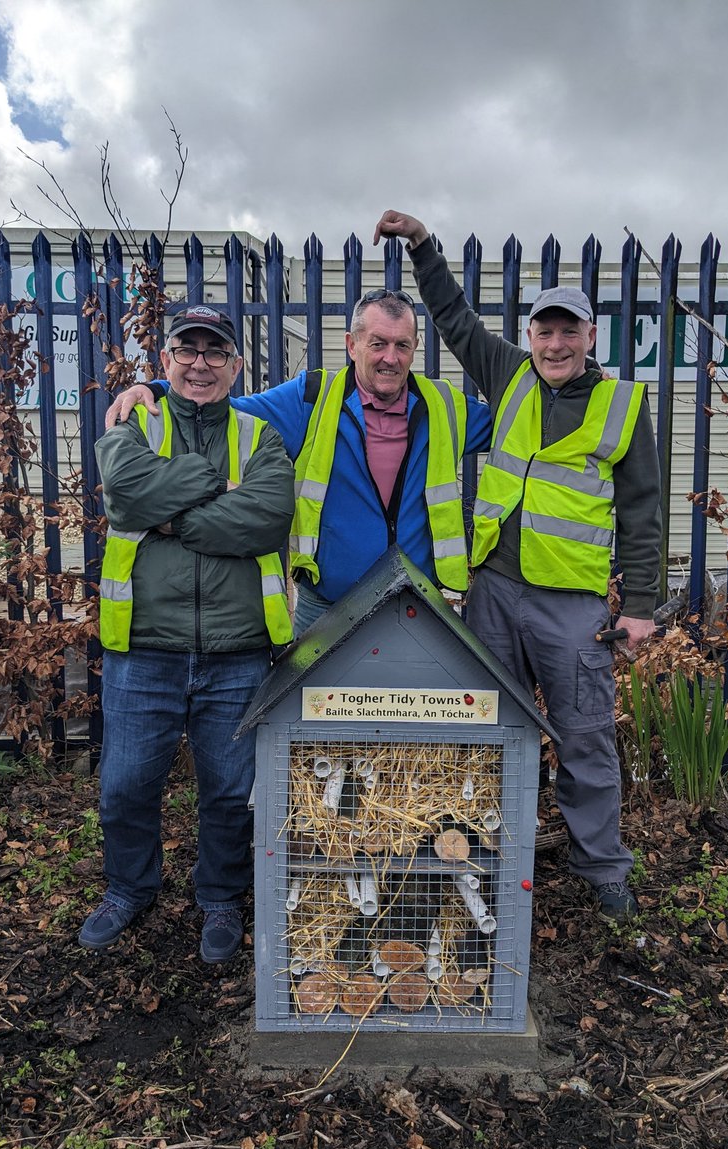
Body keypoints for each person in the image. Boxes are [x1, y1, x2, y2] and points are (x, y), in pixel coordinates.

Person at [374, 211, 662, 921]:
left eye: (569, 331)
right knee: (486, 729)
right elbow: (451, 315)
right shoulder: (507, 374)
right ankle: (480, 853)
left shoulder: (622, 407)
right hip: (495, 591)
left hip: (572, 605)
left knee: (585, 735)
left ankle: (603, 868)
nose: (556, 343)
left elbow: (642, 510)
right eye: (545, 330)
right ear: (530, 337)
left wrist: (642, 606)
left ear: (590, 337)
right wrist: (423, 247)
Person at [79, 305, 294, 962]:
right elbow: (125, 495)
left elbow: (264, 520)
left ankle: (221, 898)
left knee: (230, 790)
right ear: (165, 359)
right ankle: (128, 888)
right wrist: (209, 485)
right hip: (145, 647)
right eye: (187, 349)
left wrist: (170, 518)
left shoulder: (261, 436)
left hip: (238, 652)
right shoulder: (132, 419)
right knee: (125, 784)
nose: (200, 362)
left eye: (214, 351)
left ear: (235, 365)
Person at [109, 290, 492, 635]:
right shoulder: (310, 398)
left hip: (417, 608)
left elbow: (514, 422)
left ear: (415, 348)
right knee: (317, 714)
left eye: (402, 345)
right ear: (351, 345)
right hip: (325, 609)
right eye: (377, 344)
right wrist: (158, 388)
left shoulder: (445, 407)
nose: (390, 358)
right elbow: (219, 405)